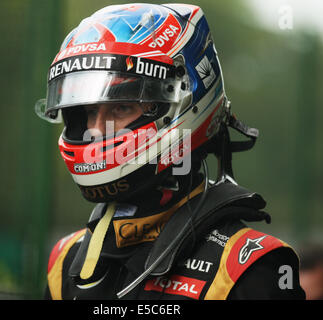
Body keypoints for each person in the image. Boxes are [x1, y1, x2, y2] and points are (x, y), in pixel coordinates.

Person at [36, 3, 305, 300]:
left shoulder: (247, 267)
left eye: (121, 107)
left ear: (184, 101)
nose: (96, 130)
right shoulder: (65, 261)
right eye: (87, 112)